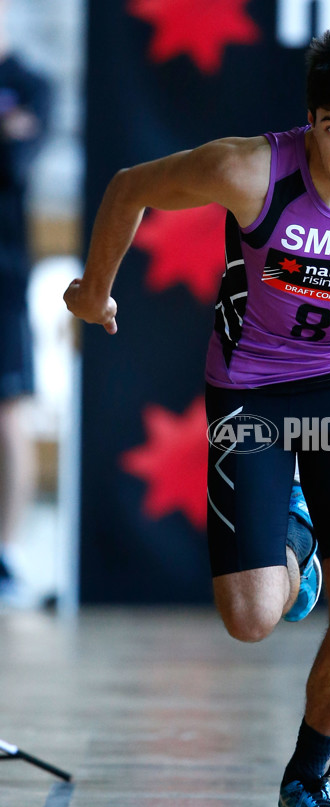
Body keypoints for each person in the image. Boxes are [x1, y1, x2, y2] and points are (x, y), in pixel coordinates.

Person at [64, 22, 330, 807]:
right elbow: (127, 186)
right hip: (253, 393)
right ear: (310, 122)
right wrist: (93, 291)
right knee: (252, 617)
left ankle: (306, 782)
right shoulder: (251, 168)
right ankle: (295, 528)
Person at [0, 1, 51, 603]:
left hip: (5, 274)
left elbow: (17, 162)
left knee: (10, 410)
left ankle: (5, 553)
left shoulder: (30, 85)